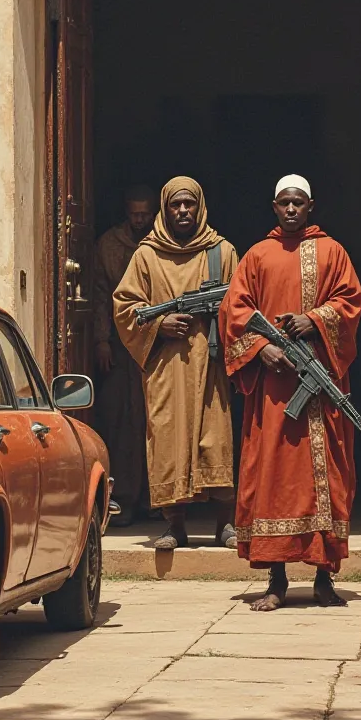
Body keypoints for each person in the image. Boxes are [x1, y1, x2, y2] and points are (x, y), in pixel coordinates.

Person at [219, 175, 361, 610]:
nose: (292, 210)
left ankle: (323, 580)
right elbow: (235, 310)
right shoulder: (257, 255)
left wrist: (315, 319)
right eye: (284, 203)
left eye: (299, 203)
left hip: (321, 385)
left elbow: (350, 301)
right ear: (274, 206)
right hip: (274, 394)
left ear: (311, 205)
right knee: (273, 478)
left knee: (328, 478)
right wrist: (262, 349)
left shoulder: (333, 252)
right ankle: (277, 581)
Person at [114, 176, 237, 549]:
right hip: (166, 366)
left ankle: (225, 525)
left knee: (215, 439)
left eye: (189, 205)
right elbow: (125, 307)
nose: (182, 211)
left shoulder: (222, 252)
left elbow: (246, 304)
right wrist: (159, 324)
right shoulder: (146, 256)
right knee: (168, 438)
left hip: (211, 363)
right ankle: (174, 524)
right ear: (164, 210)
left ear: (200, 207)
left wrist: (221, 317)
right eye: (175, 205)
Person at [94, 185, 157, 526]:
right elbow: (101, 295)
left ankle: (157, 499)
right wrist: (101, 340)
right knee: (121, 422)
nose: (140, 219)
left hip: (157, 344)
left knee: (156, 421)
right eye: (134, 213)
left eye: (145, 214)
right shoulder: (109, 245)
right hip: (120, 345)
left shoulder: (164, 245)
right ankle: (124, 498)